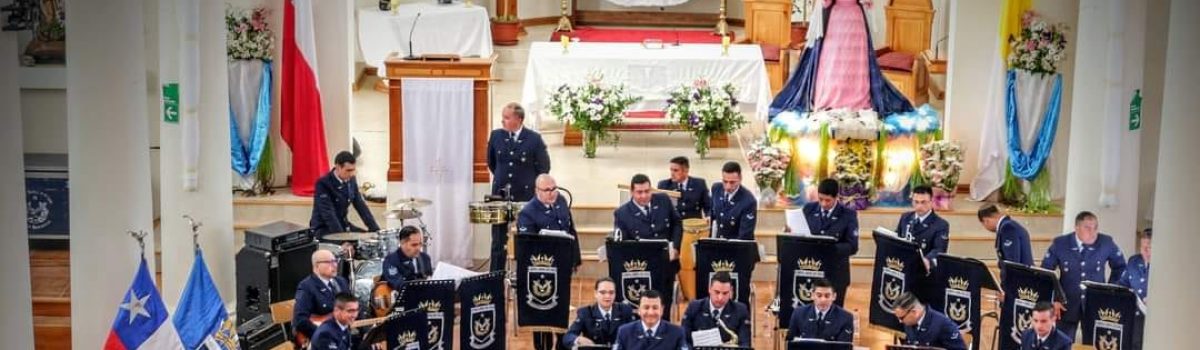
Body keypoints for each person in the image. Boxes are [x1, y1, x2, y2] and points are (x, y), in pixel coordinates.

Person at [517, 174, 579, 350]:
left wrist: (575, 259)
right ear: (537, 191)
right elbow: (527, 245)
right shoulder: (528, 212)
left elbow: (571, 231)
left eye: (554, 188)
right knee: (542, 312)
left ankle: (562, 342)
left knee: (562, 306)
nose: (552, 193)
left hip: (562, 265)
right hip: (542, 271)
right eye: (547, 190)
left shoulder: (561, 201)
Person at [1041, 211, 1126, 340]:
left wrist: (1109, 291)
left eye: (1095, 228)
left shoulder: (1106, 242)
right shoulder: (1060, 244)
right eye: (1087, 228)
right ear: (1077, 228)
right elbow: (1046, 273)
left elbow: (1120, 267)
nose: (1093, 232)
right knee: (1062, 343)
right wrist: (1054, 300)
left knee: (1094, 343)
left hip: (1096, 305)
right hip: (1066, 304)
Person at [486, 102, 551, 272]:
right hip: (500, 196)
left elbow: (544, 167)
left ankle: (528, 275)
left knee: (527, 238)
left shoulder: (534, 139)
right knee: (498, 242)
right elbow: (491, 163)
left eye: (507, 118)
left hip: (525, 196)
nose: (503, 121)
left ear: (519, 119)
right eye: (503, 117)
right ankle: (496, 278)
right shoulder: (496, 136)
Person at [616, 173, 683, 316]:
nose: (644, 196)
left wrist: (675, 247)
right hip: (642, 271)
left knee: (664, 304)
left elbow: (677, 223)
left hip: (666, 265)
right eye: (639, 192)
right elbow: (623, 245)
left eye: (647, 191)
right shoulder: (622, 214)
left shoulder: (663, 200)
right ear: (632, 192)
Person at [801, 179, 859, 306]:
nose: (823, 204)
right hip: (811, 268)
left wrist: (831, 247)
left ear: (836, 198)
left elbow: (853, 246)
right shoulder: (808, 209)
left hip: (836, 271)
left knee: (834, 312)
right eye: (820, 199)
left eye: (828, 200)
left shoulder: (848, 215)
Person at [310, 151, 379, 238]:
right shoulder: (323, 183)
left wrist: (375, 230)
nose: (351, 174)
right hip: (324, 229)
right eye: (348, 170)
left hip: (343, 225)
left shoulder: (351, 179)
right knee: (355, 243)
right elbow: (329, 215)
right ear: (338, 167)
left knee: (369, 238)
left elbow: (361, 206)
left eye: (353, 170)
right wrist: (342, 239)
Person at [293, 249, 352, 343]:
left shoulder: (341, 282)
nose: (335, 265)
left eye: (335, 261)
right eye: (329, 262)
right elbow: (300, 320)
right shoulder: (306, 287)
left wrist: (366, 331)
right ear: (316, 266)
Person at [681, 272, 752, 347]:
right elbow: (684, 339)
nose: (720, 298)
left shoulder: (740, 310)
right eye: (717, 292)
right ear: (710, 289)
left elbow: (745, 343)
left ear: (731, 292)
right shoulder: (694, 307)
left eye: (725, 293)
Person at [563, 278, 638, 348]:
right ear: (595, 293)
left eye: (611, 292)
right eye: (603, 292)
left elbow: (637, 333)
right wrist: (578, 339)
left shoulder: (625, 310)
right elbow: (568, 336)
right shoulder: (586, 313)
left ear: (615, 294)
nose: (607, 296)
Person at [895, 185, 950, 269]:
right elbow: (897, 237)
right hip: (903, 265)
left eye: (923, 202)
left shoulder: (941, 224)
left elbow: (939, 249)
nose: (919, 206)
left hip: (923, 269)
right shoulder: (905, 217)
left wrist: (927, 260)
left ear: (931, 202)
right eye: (916, 202)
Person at [614, 290, 687, 350]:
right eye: (646, 307)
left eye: (655, 308)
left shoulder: (677, 333)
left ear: (662, 310)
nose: (651, 312)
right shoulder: (624, 332)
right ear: (639, 310)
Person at [892, 292, 967, 350]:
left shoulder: (944, 325)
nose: (900, 321)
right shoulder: (909, 323)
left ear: (914, 312)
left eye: (901, 318)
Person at [786, 278, 854, 342]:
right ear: (812, 295)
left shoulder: (846, 318)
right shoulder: (799, 313)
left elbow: (844, 347)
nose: (823, 300)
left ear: (834, 296)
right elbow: (790, 342)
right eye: (819, 295)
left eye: (827, 296)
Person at [978, 203, 1033, 280]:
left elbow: (1012, 262)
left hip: (1020, 283)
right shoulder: (1009, 225)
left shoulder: (1007, 228)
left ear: (986, 220)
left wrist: (1006, 287)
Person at [710, 161, 757, 241]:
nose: (728, 186)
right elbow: (712, 213)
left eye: (732, 182)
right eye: (725, 181)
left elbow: (745, 236)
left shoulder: (748, 201)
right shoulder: (716, 188)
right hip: (718, 243)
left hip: (736, 247)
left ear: (740, 179)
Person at [382, 225, 432, 290]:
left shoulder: (425, 258)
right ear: (402, 243)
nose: (418, 248)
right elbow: (398, 284)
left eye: (420, 244)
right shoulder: (391, 260)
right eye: (414, 245)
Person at [1117, 228, 1152, 301]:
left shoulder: (1164, 267)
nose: (1146, 251)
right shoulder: (1134, 261)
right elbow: (1122, 285)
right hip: (1132, 309)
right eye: (1143, 247)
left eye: (1149, 248)